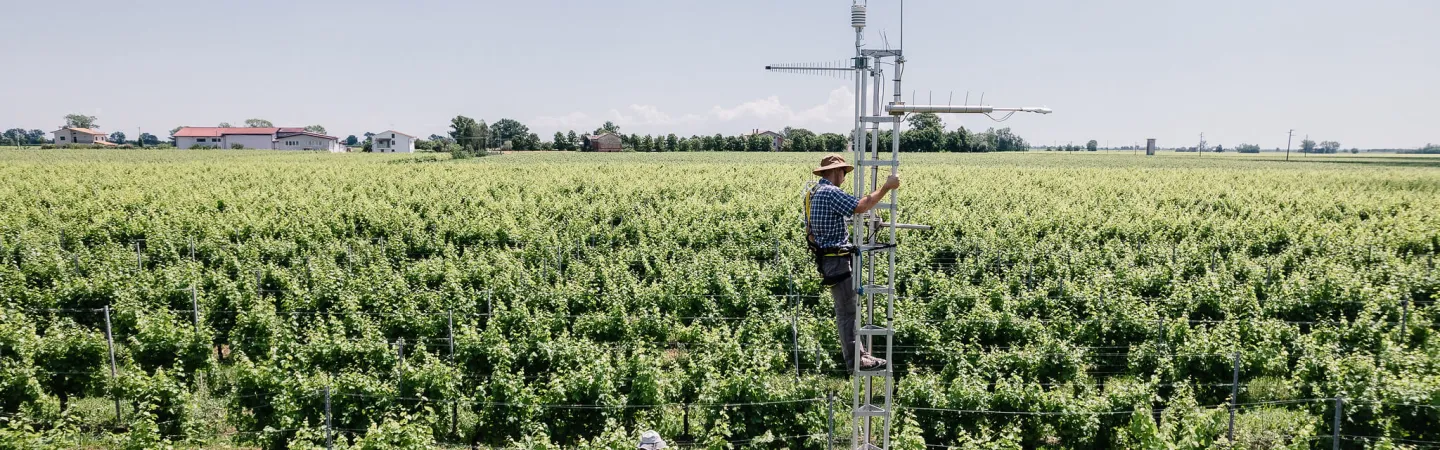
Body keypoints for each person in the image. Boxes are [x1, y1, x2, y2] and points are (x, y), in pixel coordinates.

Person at [806, 153, 900, 372]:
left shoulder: (812, 193)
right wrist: (886, 187)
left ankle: (859, 355)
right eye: (843, 173)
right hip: (837, 260)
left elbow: (813, 231)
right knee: (848, 312)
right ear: (837, 172)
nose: (844, 178)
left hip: (826, 259)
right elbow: (860, 205)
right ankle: (857, 360)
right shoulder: (831, 192)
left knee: (846, 309)